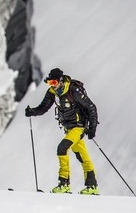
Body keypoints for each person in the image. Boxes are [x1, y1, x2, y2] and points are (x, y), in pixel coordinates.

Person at [25, 67, 99, 195]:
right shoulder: (52, 92)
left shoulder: (73, 90)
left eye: (53, 83)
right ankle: (92, 187)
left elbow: (91, 107)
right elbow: (44, 108)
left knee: (62, 148)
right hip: (68, 128)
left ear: (60, 81)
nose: (51, 86)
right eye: (49, 83)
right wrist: (33, 111)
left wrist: (92, 128)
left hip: (78, 126)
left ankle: (64, 183)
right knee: (82, 156)